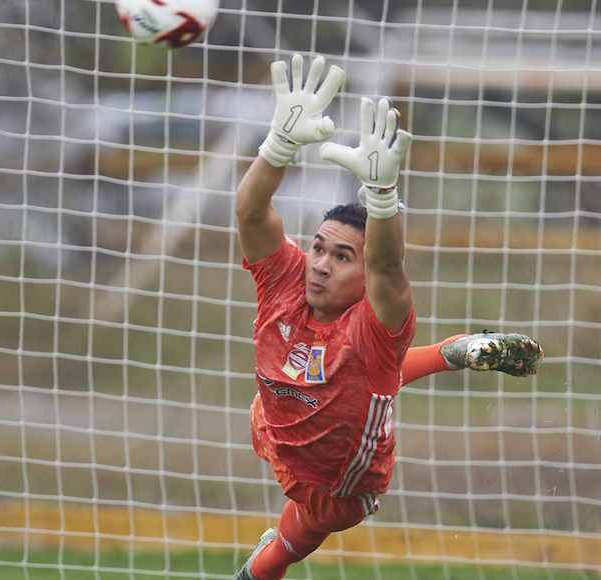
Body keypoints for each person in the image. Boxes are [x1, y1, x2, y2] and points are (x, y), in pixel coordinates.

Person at [233, 53, 543, 580]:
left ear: (363, 276)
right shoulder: (285, 277)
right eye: (318, 249)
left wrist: (382, 197)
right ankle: (456, 352)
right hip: (273, 422)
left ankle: (256, 572)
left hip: (341, 482)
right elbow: (249, 212)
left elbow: (386, 262)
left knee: (299, 534)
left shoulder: (375, 322)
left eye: (342, 257)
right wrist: (277, 145)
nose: (322, 265)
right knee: (354, 376)